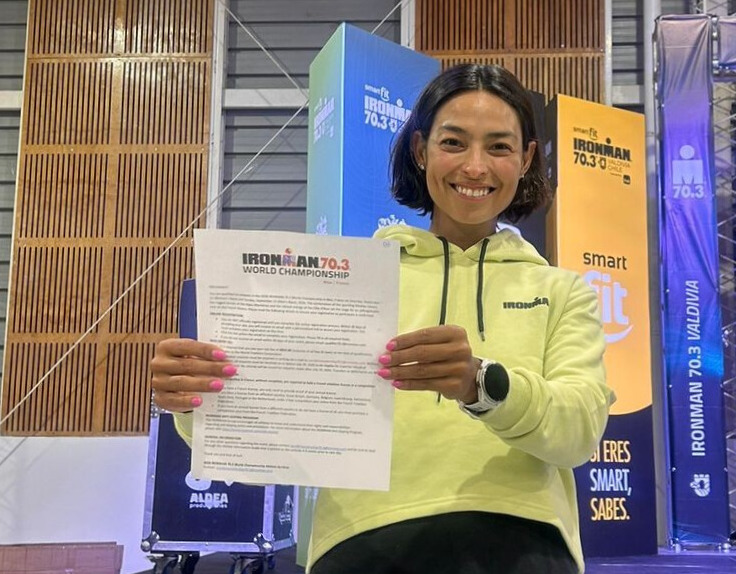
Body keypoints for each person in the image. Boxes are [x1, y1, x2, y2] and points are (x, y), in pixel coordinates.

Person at [150, 63, 614, 574]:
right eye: (453, 143)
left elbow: (578, 432)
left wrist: (481, 383)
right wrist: (196, 399)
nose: (475, 167)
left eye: (499, 147)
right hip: (361, 542)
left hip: (523, 541)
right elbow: (273, 442)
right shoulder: (349, 281)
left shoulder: (563, 291)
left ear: (526, 159)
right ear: (420, 150)